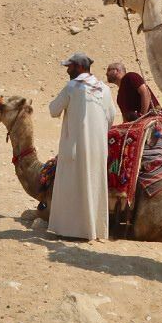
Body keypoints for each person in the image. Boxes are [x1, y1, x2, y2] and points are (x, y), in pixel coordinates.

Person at [47, 52, 115, 241]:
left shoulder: (72, 87)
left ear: (78, 67)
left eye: (69, 66)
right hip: (98, 147)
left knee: (72, 186)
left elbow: (53, 110)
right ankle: (93, 230)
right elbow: (110, 117)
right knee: (93, 184)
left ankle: (71, 230)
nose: (67, 70)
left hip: (75, 146)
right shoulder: (104, 89)